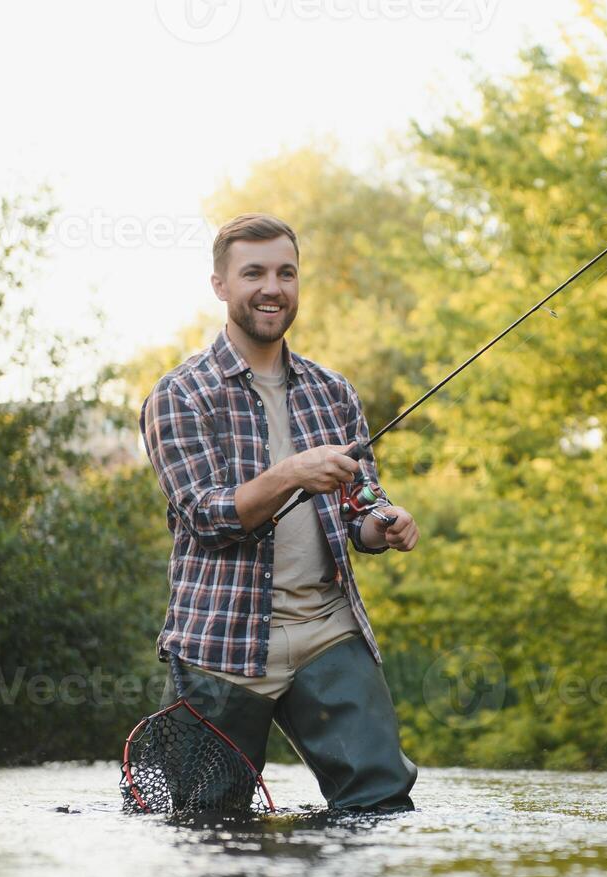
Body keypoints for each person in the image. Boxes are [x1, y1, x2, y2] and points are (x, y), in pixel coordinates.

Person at [139, 212, 419, 812]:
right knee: (205, 825)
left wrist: (382, 523)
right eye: (254, 273)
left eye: (286, 273)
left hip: (327, 628)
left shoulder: (334, 391)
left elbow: (359, 507)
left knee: (381, 806)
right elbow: (206, 516)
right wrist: (291, 473)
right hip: (220, 639)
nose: (273, 288)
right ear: (220, 285)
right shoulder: (179, 395)